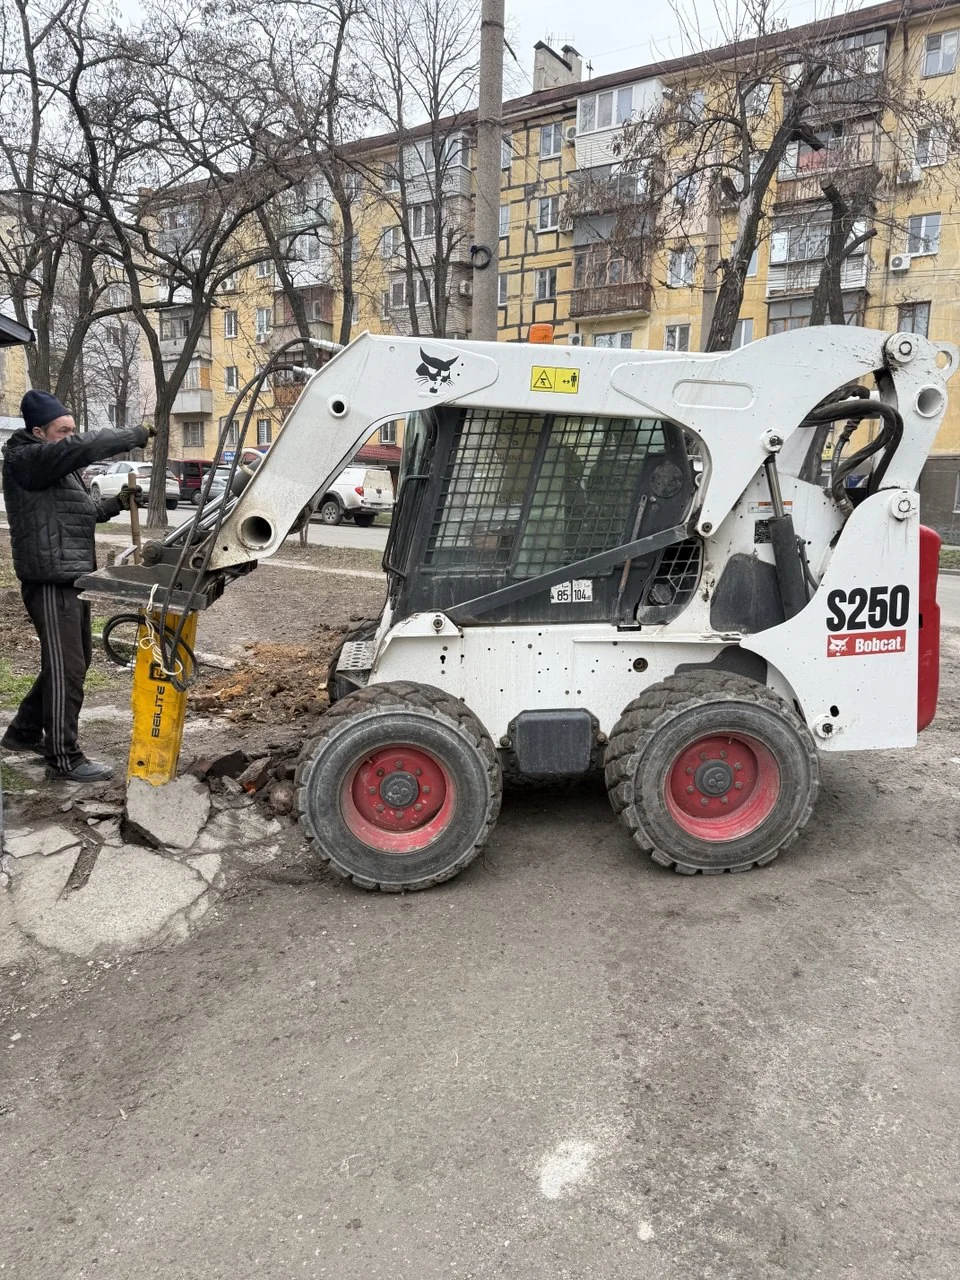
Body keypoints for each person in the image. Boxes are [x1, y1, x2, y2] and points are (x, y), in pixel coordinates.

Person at [1, 390, 151, 782]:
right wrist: (133, 435)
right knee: (67, 668)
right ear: (38, 432)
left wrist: (119, 502)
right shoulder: (28, 460)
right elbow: (86, 447)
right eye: (62, 430)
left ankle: (23, 733)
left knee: (70, 661)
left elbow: (84, 513)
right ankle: (63, 757)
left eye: (72, 429)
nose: (70, 436)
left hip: (71, 577)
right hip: (49, 580)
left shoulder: (52, 465)